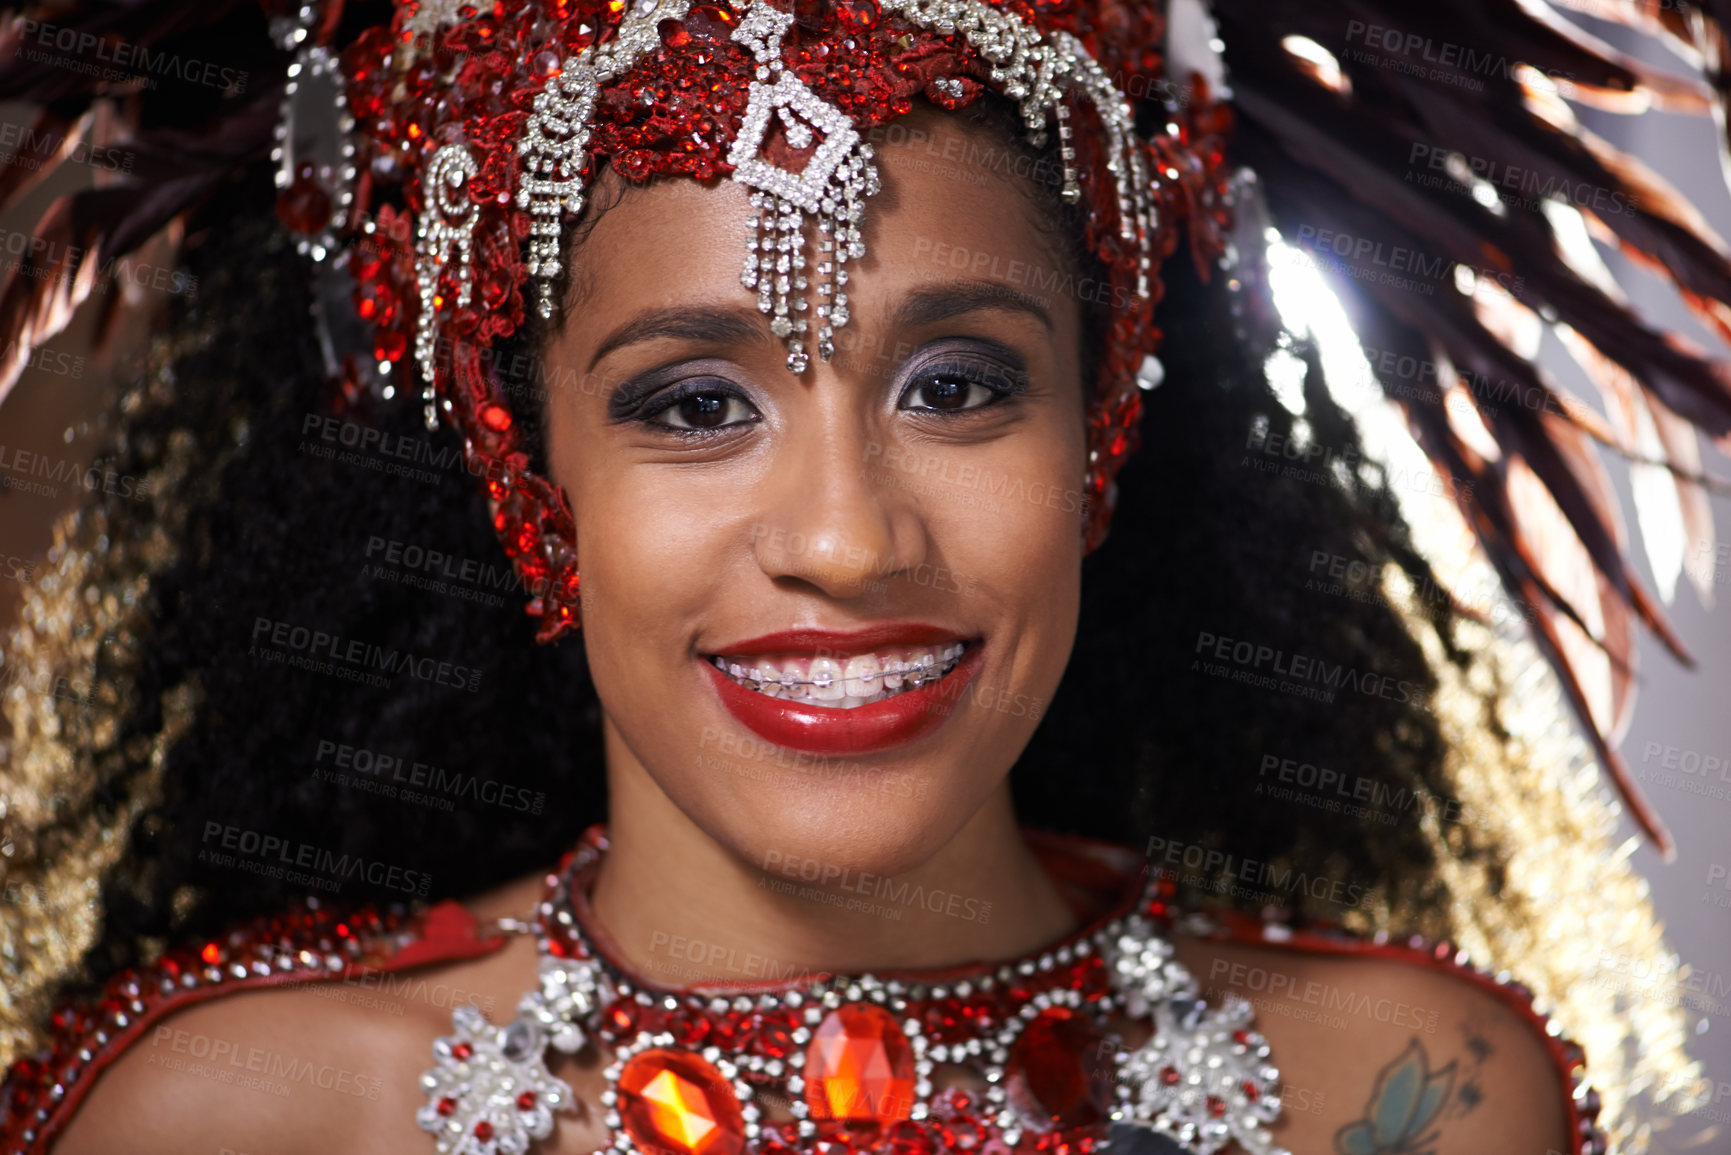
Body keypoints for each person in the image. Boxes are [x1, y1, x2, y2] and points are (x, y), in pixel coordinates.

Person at [0, 0, 1721, 1152]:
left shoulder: (1409, 1097)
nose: (844, 540)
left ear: (1104, 424)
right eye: (694, 404)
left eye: (956, 385)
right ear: (528, 466)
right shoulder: (245, 1116)